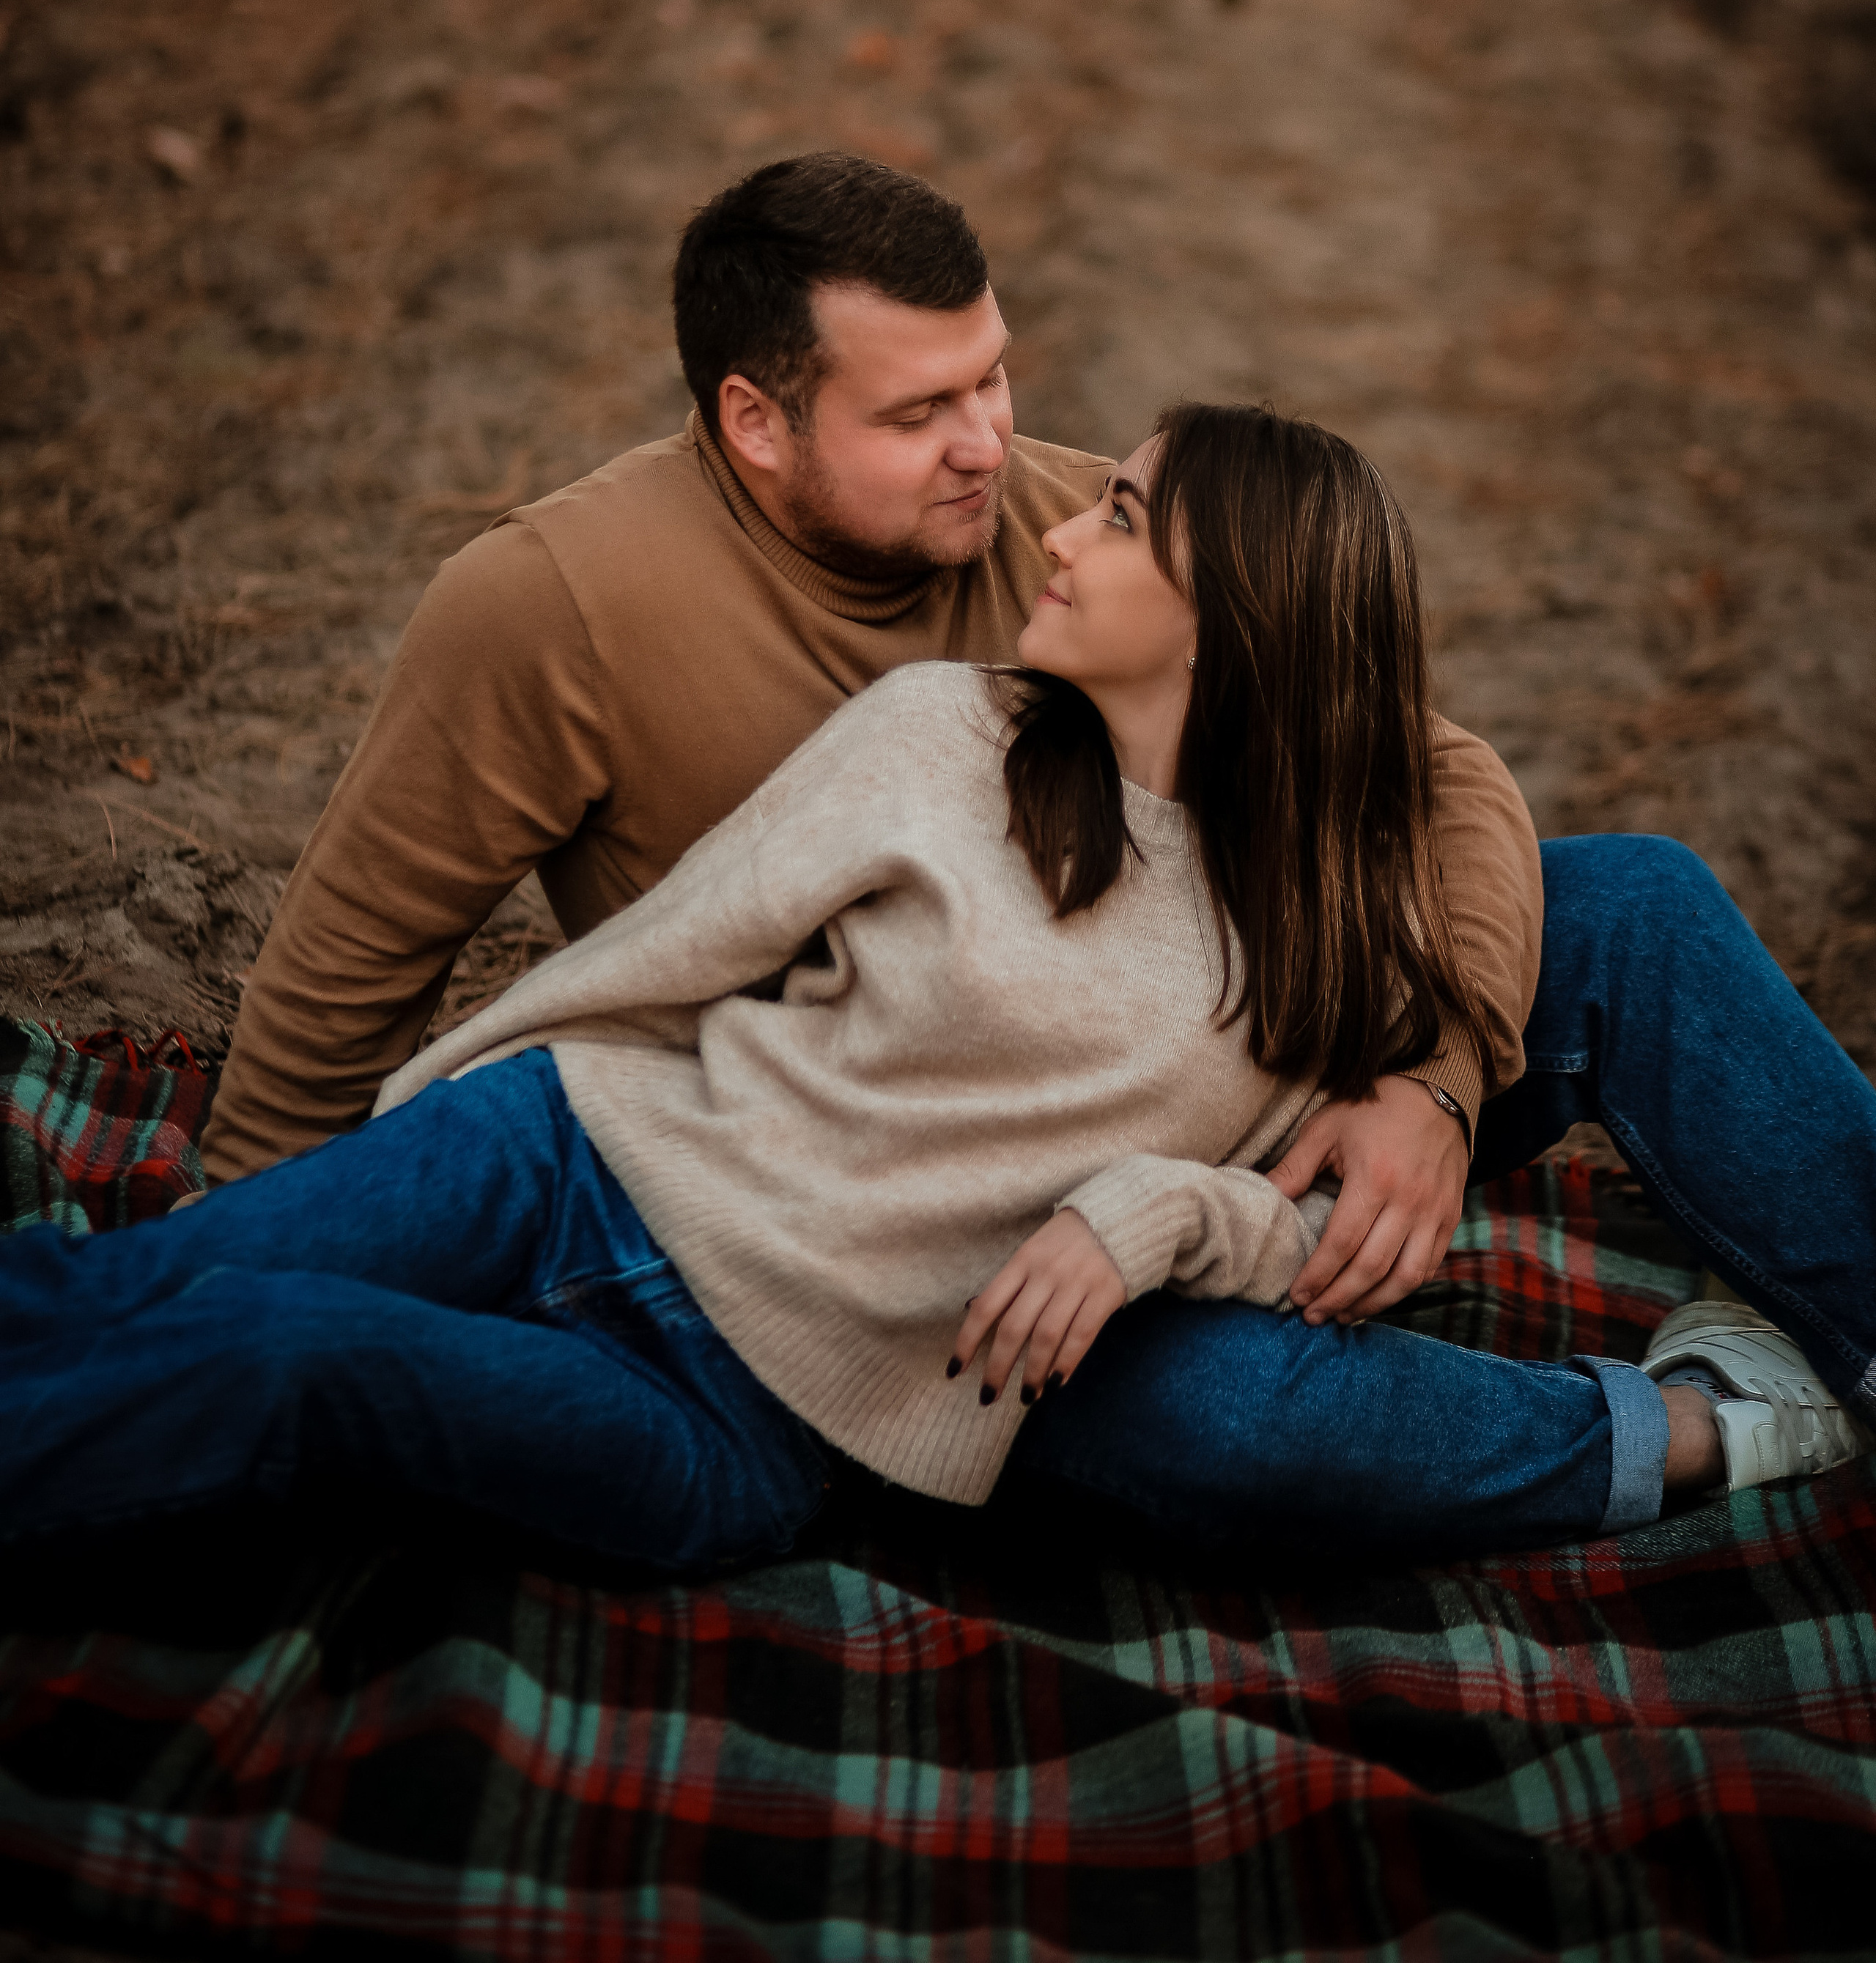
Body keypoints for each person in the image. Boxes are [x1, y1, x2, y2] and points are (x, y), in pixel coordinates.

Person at [181, 152, 1874, 1548]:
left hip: (1232, 1064)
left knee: (1631, 908)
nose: (990, 447)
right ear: (757, 422)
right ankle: (1667, 1438)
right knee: (1186, 1406)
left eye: (993, 375)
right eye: (920, 409)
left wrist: (1430, 1080)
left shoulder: (1057, 523)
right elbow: (346, 969)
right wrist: (241, 1262)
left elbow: (1435, 773)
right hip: (906, 1214)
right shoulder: (550, 607)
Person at [0, 410, 1522, 1556]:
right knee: (142, 1284)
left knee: (287, 1360)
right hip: (569, 1158)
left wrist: (1152, 1217)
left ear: (1232, 620)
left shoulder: (1316, 934)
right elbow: (656, 963)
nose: (1055, 534)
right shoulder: (943, 730)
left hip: (740, 1422)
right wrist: (407, 1145)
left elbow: (1326, 1232)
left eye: (1120, 521)